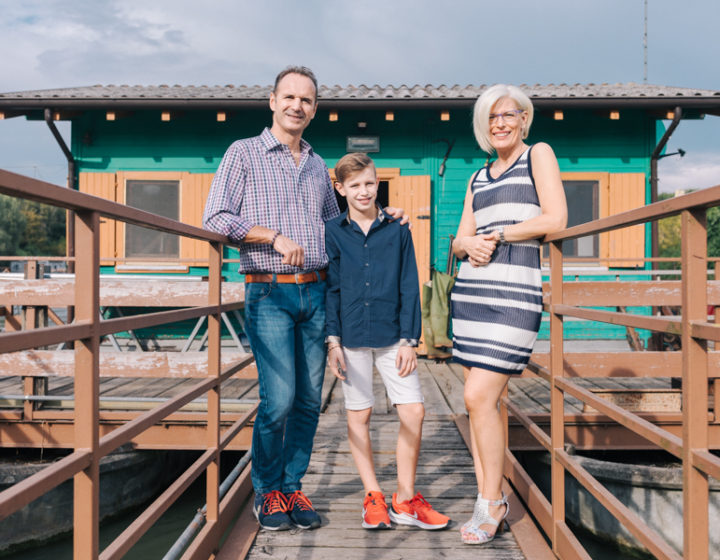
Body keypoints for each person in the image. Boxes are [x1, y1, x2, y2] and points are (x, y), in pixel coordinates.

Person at [203, 66, 406, 532]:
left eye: (307, 100)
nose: (297, 105)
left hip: (316, 290)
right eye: (289, 97)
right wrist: (270, 237)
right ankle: (267, 491)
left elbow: (342, 223)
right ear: (272, 101)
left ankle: (293, 486)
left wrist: (385, 213)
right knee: (279, 399)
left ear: (315, 109)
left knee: (310, 402)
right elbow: (215, 216)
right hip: (269, 291)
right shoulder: (244, 154)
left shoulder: (318, 166)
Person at [450, 84, 567, 544]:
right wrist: (468, 243)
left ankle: (491, 503)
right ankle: (489, 494)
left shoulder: (538, 154)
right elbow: (459, 239)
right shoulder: (477, 177)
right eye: (492, 117)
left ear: (524, 120)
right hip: (474, 294)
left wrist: (497, 234)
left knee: (478, 397)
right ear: (484, 125)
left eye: (509, 115)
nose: (500, 123)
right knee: (484, 403)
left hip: (515, 295)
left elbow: (556, 219)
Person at [325, 152, 450, 531]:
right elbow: (330, 288)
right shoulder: (332, 230)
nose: (364, 191)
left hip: (394, 335)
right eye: (355, 185)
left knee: (413, 411)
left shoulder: (397, 229)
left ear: (378, 183)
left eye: (369, 183)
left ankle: (405, 498)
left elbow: (410, 286)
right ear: (340, 188)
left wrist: (411, 339)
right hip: (350, 336)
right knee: (358, 414)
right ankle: (373, 495)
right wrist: (332, 341)